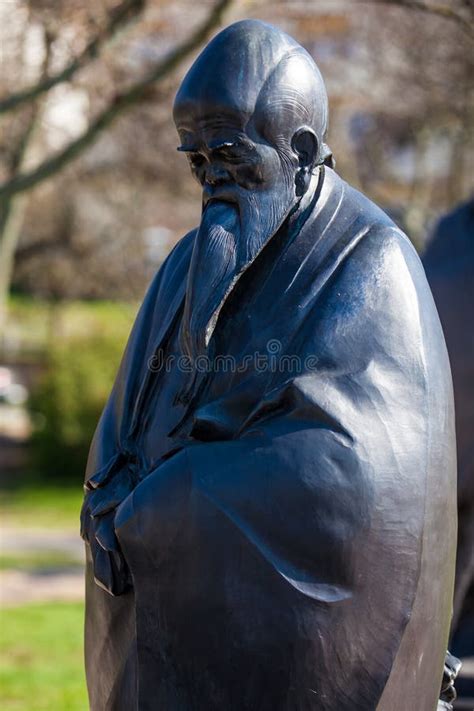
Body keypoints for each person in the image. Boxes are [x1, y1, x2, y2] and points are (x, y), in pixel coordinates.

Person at [81, 20, 456, 710]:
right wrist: (106, 491)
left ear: (304, 150)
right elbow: (126, 412)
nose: (212, 182)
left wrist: (162, 502)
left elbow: (349, 473)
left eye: (230, 158)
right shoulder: (180, 269)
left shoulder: (371, 261)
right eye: (197, 163)